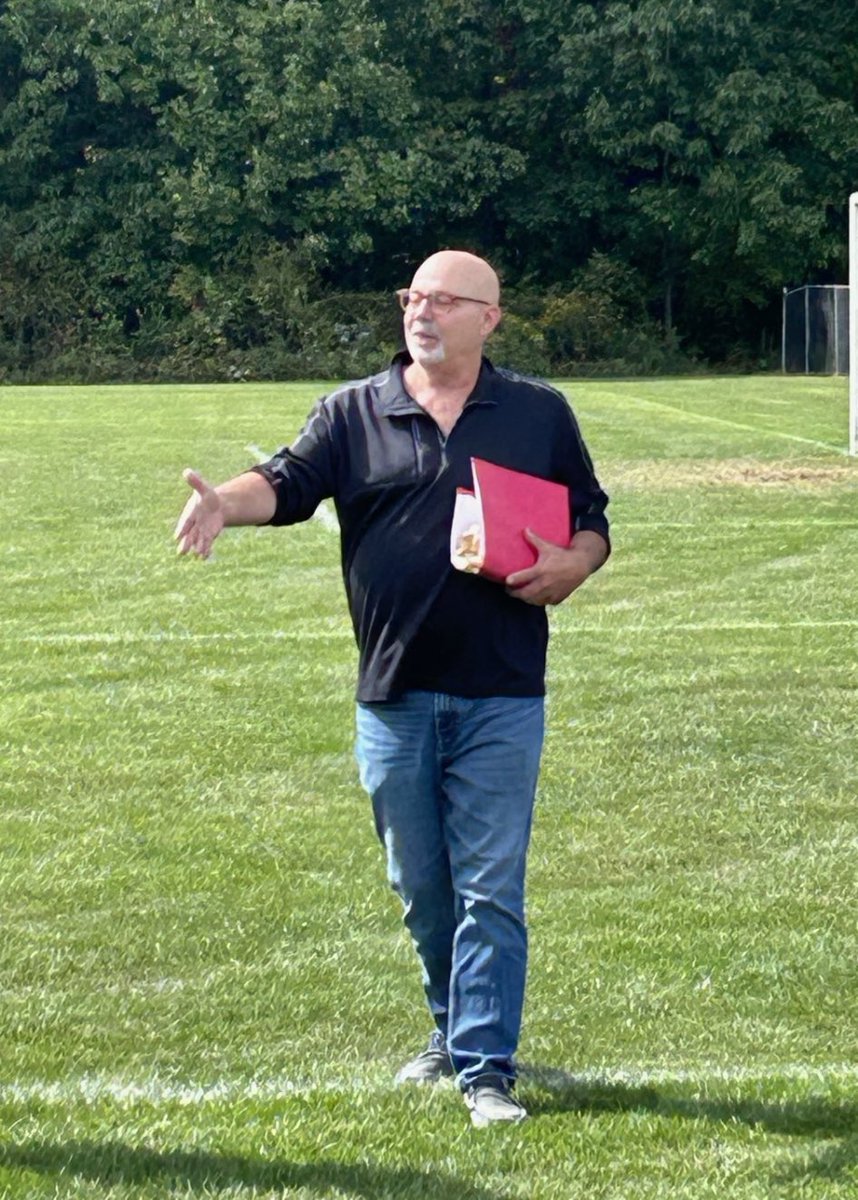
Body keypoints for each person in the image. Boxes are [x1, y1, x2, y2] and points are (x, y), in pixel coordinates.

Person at [174, 250, 610, 1127]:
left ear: (488, 318)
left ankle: (486, 1070)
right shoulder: (354, 410)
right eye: (414, 297)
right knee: (424, 891)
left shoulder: (538, 413)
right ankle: (451, 1030)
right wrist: (224, 501)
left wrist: (575, 564)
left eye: (443, 300)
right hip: (394, 691)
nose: (421, 312)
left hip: (502, 691)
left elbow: (589, 517)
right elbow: (287, 483)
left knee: (491, 887)